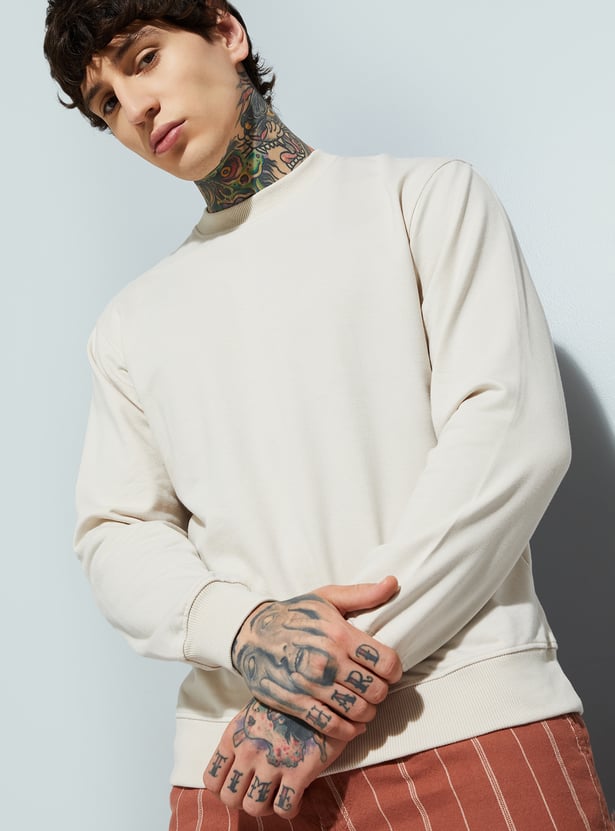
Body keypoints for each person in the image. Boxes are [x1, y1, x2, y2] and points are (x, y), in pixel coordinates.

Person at [44, 2, 614, 829]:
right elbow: (115, 533)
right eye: (105, 103)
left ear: (226, 33)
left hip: (458, 722)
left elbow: (508, 437)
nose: (135, 107)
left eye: (143, 59)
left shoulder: (423, 198)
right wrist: (247, 631)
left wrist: (318, 686)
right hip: (235, 769)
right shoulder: (130, 323)